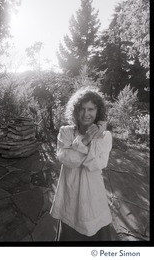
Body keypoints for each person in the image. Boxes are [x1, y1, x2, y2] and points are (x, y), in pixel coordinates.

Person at [50, 86, 113, 241]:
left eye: (91, 109)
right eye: (82, 109)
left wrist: (95, 138)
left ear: (98, 111)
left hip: (93, 194)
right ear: (75, 111)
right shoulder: (66, 132)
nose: (86, 114)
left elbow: (97, 164)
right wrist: (85, 141)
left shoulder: (105, 136)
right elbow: (65, 159)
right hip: (69, 192)